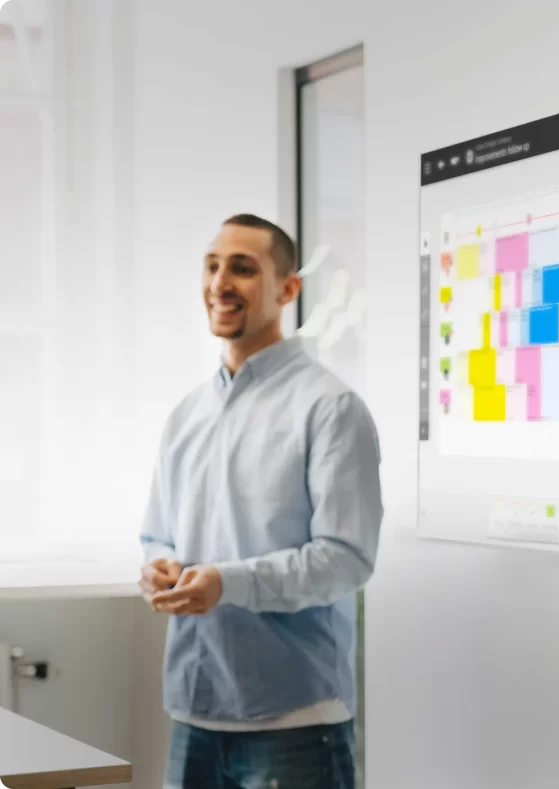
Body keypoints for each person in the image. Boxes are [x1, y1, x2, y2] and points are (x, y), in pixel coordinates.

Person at [138, 214, 383, 789]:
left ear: (289, 288)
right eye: (212, 265)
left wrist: (225, 582)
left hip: (293, 723)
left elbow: (346, 559)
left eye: (242, 269)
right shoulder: (186, 414)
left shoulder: (330, 408)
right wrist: (157, 569)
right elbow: (157, 534)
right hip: (193, 713)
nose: (220, 282)